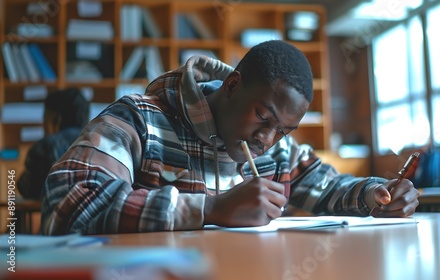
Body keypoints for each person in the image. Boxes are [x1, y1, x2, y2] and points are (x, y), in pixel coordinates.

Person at [40, 40, 419, 235]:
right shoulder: (140, 119)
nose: (268, 140)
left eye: (284, 130)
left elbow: (328, 186)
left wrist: (376, 194)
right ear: (233, 85)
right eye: (263, 117)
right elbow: (68, 201)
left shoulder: (276, 147)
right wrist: (209, 209)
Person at [18, 88, 90, 200]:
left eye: (44, 119)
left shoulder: (44, 147)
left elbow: (26, 188)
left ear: (56, 121)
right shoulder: (101, 145)